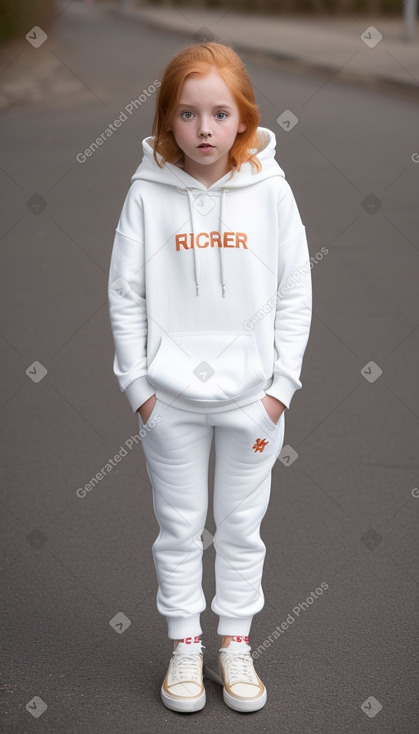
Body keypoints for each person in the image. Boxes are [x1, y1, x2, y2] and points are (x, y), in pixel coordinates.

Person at [107, 41, 312, 714]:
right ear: (167, 119)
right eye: (188, 113)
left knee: (240, 525)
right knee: (179, 525)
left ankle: (234, 644)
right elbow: (125, 293)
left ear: (243, 119)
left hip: (253, 403)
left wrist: (280, 389)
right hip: (170, 403)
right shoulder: (146, 194)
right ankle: (185, 646)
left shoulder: (270, 192)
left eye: (219, 113)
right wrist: (140, 391)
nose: (203, 129)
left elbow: (293, 292)